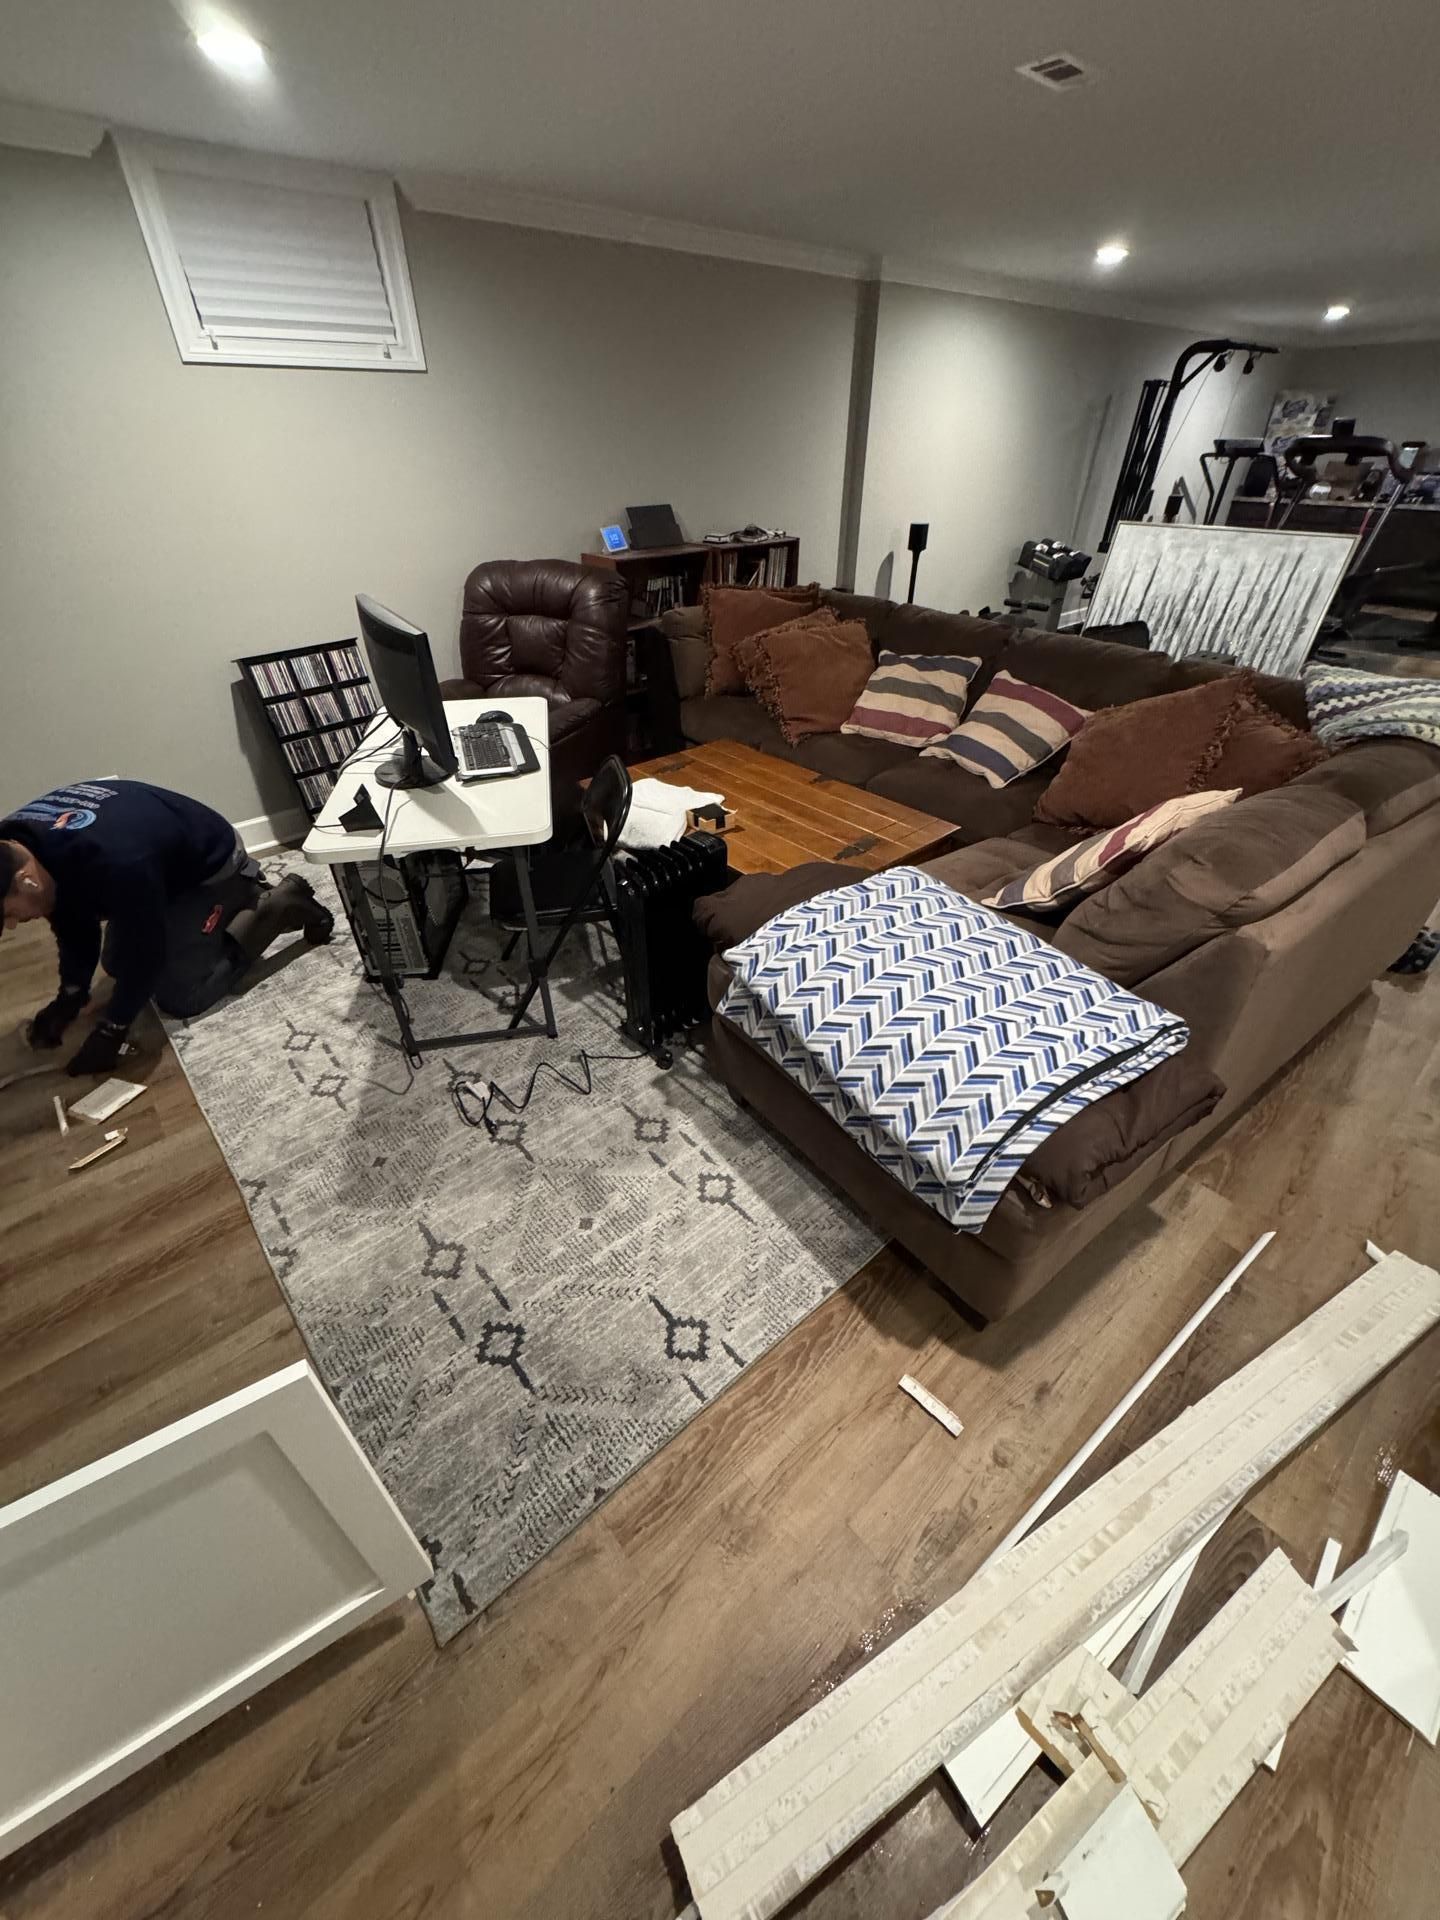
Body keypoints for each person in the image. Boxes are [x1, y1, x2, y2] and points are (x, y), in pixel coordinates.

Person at [0, 778, 333, 1075]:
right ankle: (216, 914)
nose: (13, 924)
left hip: (210, 863)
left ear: (27, 881)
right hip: (156, 866)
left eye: (9, 913)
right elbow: (73, 918)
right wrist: (70, 996)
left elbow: (148, 954)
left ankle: (273, 905)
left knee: (181, 996)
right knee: (116, 964)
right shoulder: (13, 843)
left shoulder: (116, 860)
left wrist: (112, 1031)